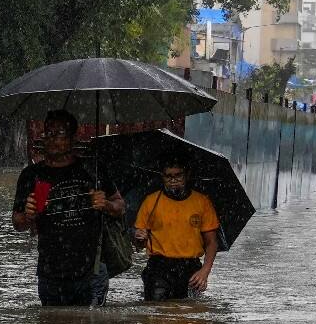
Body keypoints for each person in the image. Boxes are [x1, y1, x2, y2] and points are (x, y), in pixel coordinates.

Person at [12, 109, 125, 306]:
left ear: (73, 137)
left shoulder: (92, 169)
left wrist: (105, 204)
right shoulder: (32, 175)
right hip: (50, 272)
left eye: (60, 133)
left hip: (91, 271)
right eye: (49, 133)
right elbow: (17, 223)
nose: (53, 139)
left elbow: (120, 207)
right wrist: (29, 215)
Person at [131, 157, 221, 301]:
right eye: (168, 176)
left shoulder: (202, 202)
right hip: (159, 268)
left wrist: (205, 271)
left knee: (190, 317)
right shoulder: (151, 202)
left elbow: (212, 242)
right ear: (162, 176)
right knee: (157, 314)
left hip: (191, 268)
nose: (173, 180)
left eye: (178, 175)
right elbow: (139, 245)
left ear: (187, 175)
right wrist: (138, 238)